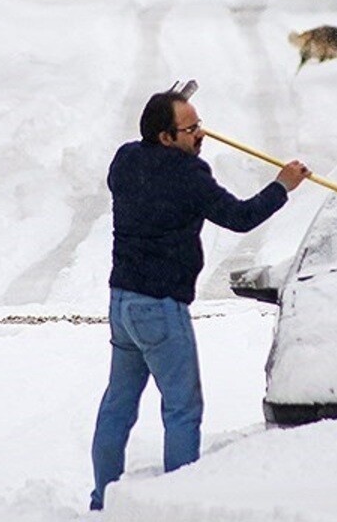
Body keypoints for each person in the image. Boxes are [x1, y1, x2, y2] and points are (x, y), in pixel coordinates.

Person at [89, 90, 310, 511]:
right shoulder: (188, 176)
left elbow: (145, 159)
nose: (201, 134)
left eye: (199, 124)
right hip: (161, 309)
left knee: (118, 404)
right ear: (166, 137)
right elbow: (240, 217)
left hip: (123, 305)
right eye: (191, 129)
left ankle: (103, 499)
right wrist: (283, 185)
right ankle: (179, 504)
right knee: (183, 408)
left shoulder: (125, 160)